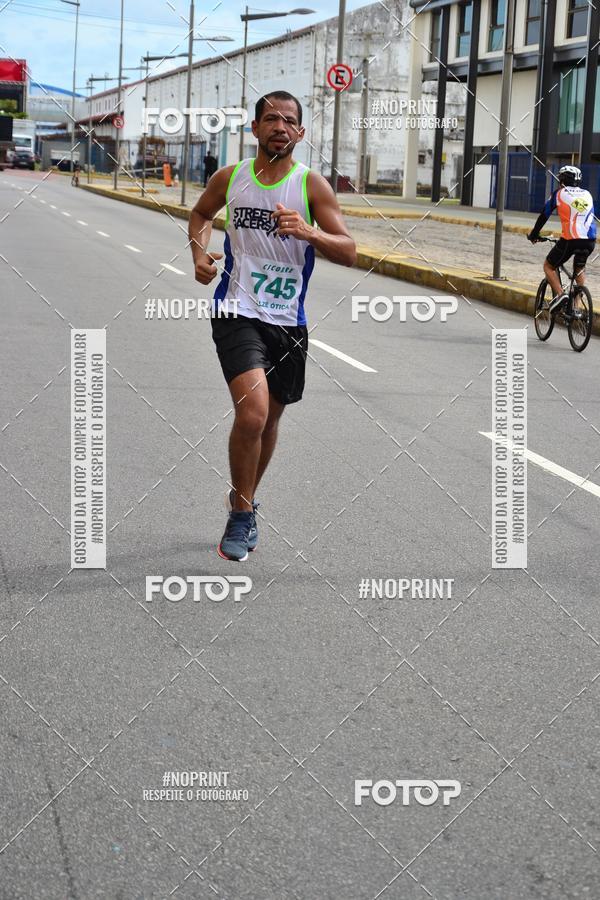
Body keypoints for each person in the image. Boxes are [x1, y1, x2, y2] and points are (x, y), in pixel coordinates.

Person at [188, 90, 356, 561]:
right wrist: (201, 254)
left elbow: (349, 250)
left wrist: (309, 231)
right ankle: (242, 514)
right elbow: (201, 214)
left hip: (289, 322)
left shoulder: (312, 187)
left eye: (289, 120)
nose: (280, 126)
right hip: (236, 310)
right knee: (254, 413)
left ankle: (243, 497)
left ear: (300, 133)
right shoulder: (232, 177)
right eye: (270, 118)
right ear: (255, 128)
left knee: (272, 418)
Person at [528, 165, 596, 312]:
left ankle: (560, 295)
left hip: (571, 240)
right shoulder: (587, 194)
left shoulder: (559, 194)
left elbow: (544, 215)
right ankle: (576, 306)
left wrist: (534, 234)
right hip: (590, 241)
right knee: (579, 267)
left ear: (563, 179)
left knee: (549, 266)